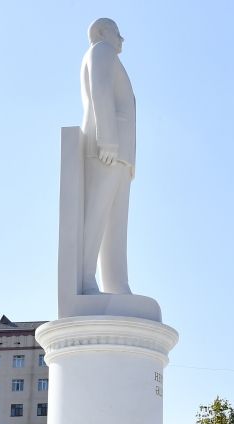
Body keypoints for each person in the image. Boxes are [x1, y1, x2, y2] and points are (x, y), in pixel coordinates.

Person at [80, 17, 136, 295]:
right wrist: (108, 140)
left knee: (116, 222)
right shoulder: (100, 51)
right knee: (97, 213)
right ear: (102, 32)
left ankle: (116, 282)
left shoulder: (109, 56)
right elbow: (100, 91)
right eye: (117, 32)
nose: (121, 39)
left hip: (121, 153)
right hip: (108, 147)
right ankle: (85, 278)